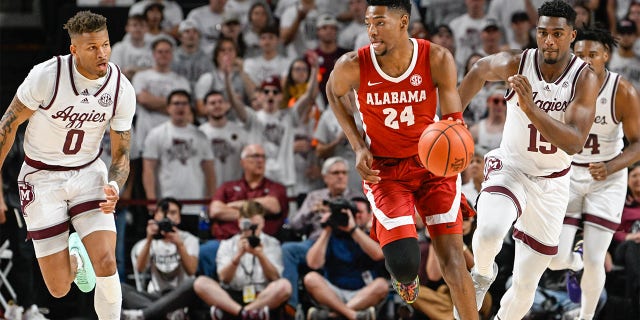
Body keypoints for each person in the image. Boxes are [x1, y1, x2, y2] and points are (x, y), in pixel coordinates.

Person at [325, 0, 477, 318]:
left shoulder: (436, 57)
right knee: (405, 265)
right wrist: (357, 146)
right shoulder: (353, 64)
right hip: (386, 169)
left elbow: (452, 119)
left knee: (453, 263)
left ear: (403, 21)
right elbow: (333, 93)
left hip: (433, 165)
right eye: (368, 24)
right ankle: (404, 277)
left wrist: (457, 150)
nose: (371, 31)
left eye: (380, 23)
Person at [456, 1, 599, 319]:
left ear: (571, 35)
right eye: (543, 32)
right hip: (512, 167)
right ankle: (481, 274)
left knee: (524, 289)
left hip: (552, 183)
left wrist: (531, 108)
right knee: (491, 229)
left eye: (557, 34)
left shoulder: (584, 79)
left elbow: (574, 142)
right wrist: (451, 118)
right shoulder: (516, 64)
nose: (549, 40)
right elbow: (479, 70)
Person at [0, 11, 135, 320]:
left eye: (105, 44)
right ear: (74, 50)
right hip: (41, 177)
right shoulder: (47, 76)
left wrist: (115, 185)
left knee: (107, 263)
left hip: (88, 172)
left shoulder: (121, 88)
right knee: (59, 288)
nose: (102, 54)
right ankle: (76, 253)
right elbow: (7, 127)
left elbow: (121, 155)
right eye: (92, 47)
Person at [547, 27, 640, 320]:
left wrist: (611, 166)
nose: (585, 60)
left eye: (592, 54)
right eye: (579, 54)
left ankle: (585, 317)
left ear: (606, 56)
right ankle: (574, 263)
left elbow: (638, 143)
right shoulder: (561, 86)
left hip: (607, 178)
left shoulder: (622, 90)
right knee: (555, 259)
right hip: (570, 173)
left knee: (596, 258)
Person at [193, 200, 292, 320]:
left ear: (263, 223)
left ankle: (243, 312)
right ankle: (245, 313)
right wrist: (237, 256)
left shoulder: (272, 243)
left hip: (262, 295)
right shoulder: (227, 244)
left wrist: (261, 256)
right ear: (240, 223)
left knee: (284, 286)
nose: (253, 230)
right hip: (232, 295)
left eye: (256, 225)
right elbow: (224, 278)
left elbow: (275, 278)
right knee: (200, 283)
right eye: (249, 225)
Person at [142, 89, 216, 233]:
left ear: (189, 108)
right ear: (168, 108)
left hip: (195, 202)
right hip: (166, 202)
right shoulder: (156, 134)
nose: (180, 107)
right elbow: (148, 168)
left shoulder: (201, 136)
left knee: (192, 247)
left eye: (184, 104)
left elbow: (210, 170)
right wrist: (151, 199)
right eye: (176, 103)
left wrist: (211, 198)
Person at [303, 197, 388, 320]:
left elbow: (378, 255)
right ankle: (352, 315)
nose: (356, 216)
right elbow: (313, 264)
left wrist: (354, 230)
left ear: (370, 215)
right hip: (333, 293)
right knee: (310, 278)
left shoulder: (373, 234)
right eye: (353, 213)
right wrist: (326, 230)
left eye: (360, 212)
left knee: (382, 285)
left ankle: (333, 316)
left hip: (362, 293)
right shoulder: (332, 235)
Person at [121, 197, 200, 320]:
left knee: (194, 283)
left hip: (181, 297)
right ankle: (166, 313)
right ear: (156, 216)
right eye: (164, 212)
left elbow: (191, 271)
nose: (168, 217)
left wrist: (180, 245)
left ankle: (148, 313)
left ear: (179, 218)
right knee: (121, 288)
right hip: (157, 296)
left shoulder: (189, 240)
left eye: (173, 213)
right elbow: (140, 269)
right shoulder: (149, 241)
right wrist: (148, 240)